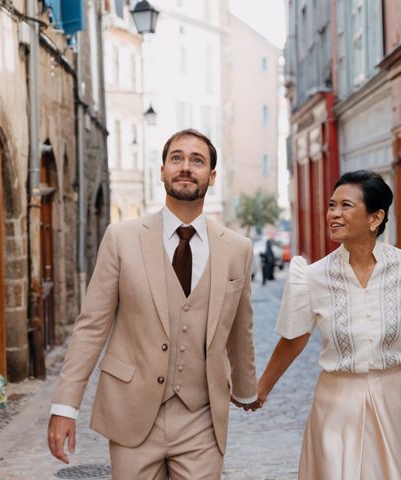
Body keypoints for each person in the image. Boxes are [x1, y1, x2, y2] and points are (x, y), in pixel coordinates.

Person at [47, 129, 260, 479]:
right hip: (132, 413)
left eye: (197, 160)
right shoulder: (121, 238)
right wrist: (64, 407)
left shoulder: (238, 249)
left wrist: (247, 390)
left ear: (212, 176)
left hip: (201, 418)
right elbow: (91, 327)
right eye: (177, 158)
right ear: (161, 171)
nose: (186, 167)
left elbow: (240, 328)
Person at [257, 170, 401, 479]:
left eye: (346, 206)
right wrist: (261, 388)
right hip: (335, 406)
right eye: (332, 205)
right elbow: (294, 339)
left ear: (375, 218)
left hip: (397, 402)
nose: (334, 214)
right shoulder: (312, 277)